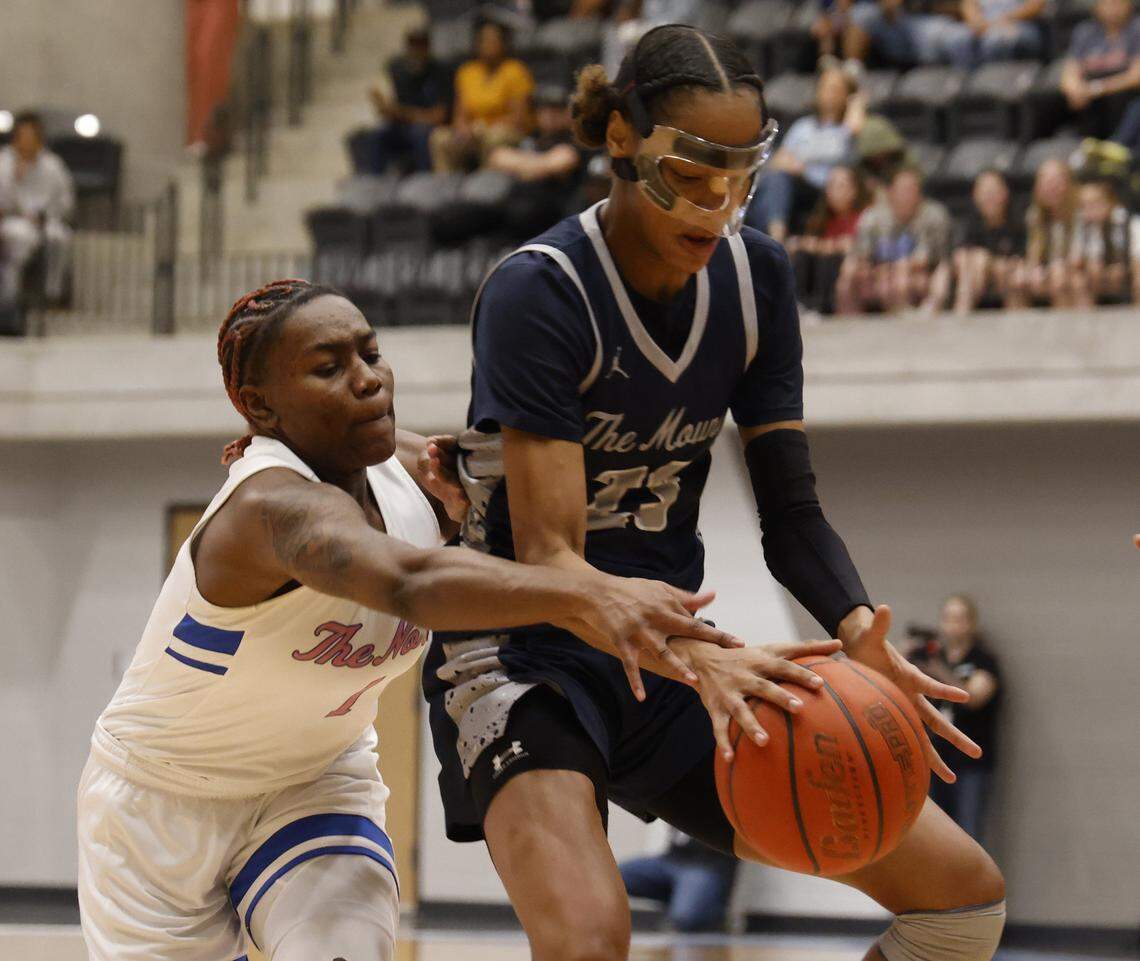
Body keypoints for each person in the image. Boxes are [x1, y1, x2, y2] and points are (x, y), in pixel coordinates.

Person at [424, 25, 1005, 961]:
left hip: (671, 659)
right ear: (621, 137)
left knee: (963, 902)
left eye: (739, 178)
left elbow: (793, 512)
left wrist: (862, 636)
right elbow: (555, 563)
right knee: (589, 939)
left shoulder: (756, 276)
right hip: (526, 653)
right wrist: (699, 658)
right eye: (691, 175)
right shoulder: (541, 290)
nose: (716, 204)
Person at [76, 278, 740, 961]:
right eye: (329, 368)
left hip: (314, 782)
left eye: (371, 353)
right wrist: (591, 596)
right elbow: (406, 580)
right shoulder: (267, 507)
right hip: (160, 802)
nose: (367, 380)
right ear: (259, 404)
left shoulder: (412, 471)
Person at [430, 85, 586, 246]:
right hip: (508, 202)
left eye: (556, 110)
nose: (549, 116)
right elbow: (497, 157)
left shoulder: (574, 141)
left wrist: (522, 164)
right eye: (544, 110)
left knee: (522, 213)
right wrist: (538, 164)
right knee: (449, 217)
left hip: (545, 210)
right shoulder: (533, 138)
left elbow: (560, 162)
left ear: (568, 114)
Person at [906, 596, 1002, 844]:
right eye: (948, 618)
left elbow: (975, 696)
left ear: (971, 623)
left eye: (959, 619)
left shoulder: (982, 659)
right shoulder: (930, 654)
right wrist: (905, 655)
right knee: (934, 836)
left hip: (970, 764)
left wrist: (939, 672)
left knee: (967, 834)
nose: (952, 625)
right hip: (934, 757)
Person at [746, 68, 863, 243]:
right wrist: (795, 167)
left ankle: (773, 241)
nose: (828, 94)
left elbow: (845, 142)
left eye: (835, 89)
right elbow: (778, 160)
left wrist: (856, 103)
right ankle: (768, 237)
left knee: (776, 183)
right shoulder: (803, 126)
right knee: (768, 181)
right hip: (797, 184)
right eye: (824, 87)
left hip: (824, 188)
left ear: (846, 95)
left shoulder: (846, 129)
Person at [835, 164, 953, 314]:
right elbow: (861, 255)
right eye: (903, 189)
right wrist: (874, 269)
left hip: (921, 274)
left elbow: (929, 259)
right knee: (849, 268)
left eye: (913, 189)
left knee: (904, 273)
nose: (909, 194)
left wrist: (897, 267)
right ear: (890, 192)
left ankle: (918, 316)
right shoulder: (872, 217)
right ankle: (848, 321)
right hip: (878, 273)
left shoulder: (934, 215)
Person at [430, 20, 535, 173]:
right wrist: (464, 129)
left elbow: (519, 118)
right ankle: (446, 188)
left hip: (506, 131)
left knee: (494, 137)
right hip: (473, 132)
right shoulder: (467, 72)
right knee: (439, 137)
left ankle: (486, 187)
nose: (488, 45)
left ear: (503, 44)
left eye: (493, 40)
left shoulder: (516, 70)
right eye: (484, 40)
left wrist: (481, 128)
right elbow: (459, 115)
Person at [0, 111, 74, 307]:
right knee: (17, 239)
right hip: (14, 220)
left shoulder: (53, 165)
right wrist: (15, 178)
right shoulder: (4, 163)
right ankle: (11, 298)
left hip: (46, 220)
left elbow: (65, 199)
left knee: (58, 237)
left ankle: (51, 292)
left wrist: (47, 215)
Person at [787, 164, 872, 314]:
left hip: (846, 272)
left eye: (840, 186)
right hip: (816, 271)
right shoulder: (821, 218)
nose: (832, 191)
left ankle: (822, 307)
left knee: (830, 258)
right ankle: (799, 304)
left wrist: (819, 246)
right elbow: (805, 243)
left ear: (854, 191)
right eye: (830, 185)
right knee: (801, 256)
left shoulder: (865, 218)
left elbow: (851, 246)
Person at [367, 28, 452, 174]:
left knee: (419, 132)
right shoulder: (397, 69)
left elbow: (439, 116)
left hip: (429, 128)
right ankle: (372, 183)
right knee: (377, 134)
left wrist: (404, 114)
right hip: (402, 126)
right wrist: (383, 106)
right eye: (412, 46)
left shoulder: (440, 71)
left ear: (427, 47)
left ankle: (424, 180)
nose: (415, 51)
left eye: (420, 45)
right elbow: (387, 109)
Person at [619, 829, 739, 932]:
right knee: (615, 876)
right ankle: (682, 897)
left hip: (708, 865)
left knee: (686, 917)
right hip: (671, 859)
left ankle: (705, 909)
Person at [1060, 0, 1140, 141]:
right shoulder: (1085, 31)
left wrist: (1097, 89)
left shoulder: (1136, 28)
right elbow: (1069, 73)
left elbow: (1136, 76)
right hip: (1092, 104)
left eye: (1118, 3)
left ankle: (1117, 146)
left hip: (1126, 98)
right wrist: (1075, 88)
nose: (1113, 8)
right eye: (1107, 3)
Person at [952, 169, 1026, 314]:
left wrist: (991, 264)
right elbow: (959, 256)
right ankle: (961, 319)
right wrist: (984, 262)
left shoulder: (1018, 223)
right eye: (984, 192)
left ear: (1005, 193)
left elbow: (1022, 260)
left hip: (1010, 280)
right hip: (975, 280)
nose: (989, 197)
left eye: (993, 191)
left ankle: (1018, 328)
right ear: (975, 196)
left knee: (1013, 280)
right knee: (972, 265)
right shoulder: (969, 225)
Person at [1008, 157, 1078, 308]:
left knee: (1062, 281)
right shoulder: (1034, 215)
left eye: (1056, 181)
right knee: (1017, 281)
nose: (1051, 187)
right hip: (1049, 270)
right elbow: (1033, 254)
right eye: (1046, 182)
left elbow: (1078, 257)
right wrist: (1032, 269)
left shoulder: (1080, 215)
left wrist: (1055, 268)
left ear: (1068, 184)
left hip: (1075, 269)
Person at [1068, 177, 1140, 306]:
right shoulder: (1083, 226)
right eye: (1084, 205)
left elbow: (1137, 259)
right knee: (1078, 281)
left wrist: (1123, 268)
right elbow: (1076, 261)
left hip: (1129, 271)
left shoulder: (1129, 224)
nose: (1088, 209)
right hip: (1099, 275)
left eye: (1094, 203)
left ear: (1110, 202)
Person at [939, 0, 1045, 68]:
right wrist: (976, 21)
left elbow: (1036, 5)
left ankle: (994, 88)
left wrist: (1007, 19)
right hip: (987, 25)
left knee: (996, 40)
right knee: (958, 38)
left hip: (1020, 24)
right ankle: (966, 90)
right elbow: (969, 4)